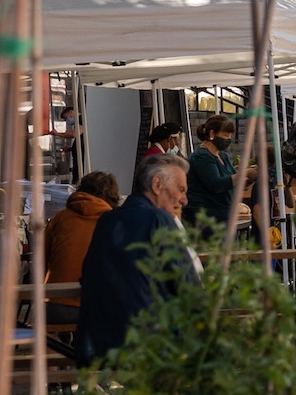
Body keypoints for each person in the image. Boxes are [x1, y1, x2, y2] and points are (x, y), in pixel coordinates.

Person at [74, 153, 193, 364]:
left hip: (96, 346)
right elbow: (189, 287)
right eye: (181, 189)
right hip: (148, 347)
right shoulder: (159, 220)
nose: (184, 200)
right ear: (157, 185)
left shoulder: (107, 220)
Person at [43, 170, 121, 323]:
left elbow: (42, 261)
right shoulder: (115, 223)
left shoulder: (60, 218)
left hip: (55, 306)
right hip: (97, 309)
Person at [187, 115, 247, 225]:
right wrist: (244, 173)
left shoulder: (222, 156)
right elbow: (216, 184)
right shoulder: (201, 156)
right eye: (225, 135)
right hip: (207, 219)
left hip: (224, 217)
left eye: (230, 135)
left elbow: (234, 182)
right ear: (212, 134)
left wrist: (250, 177)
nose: (229, 139)